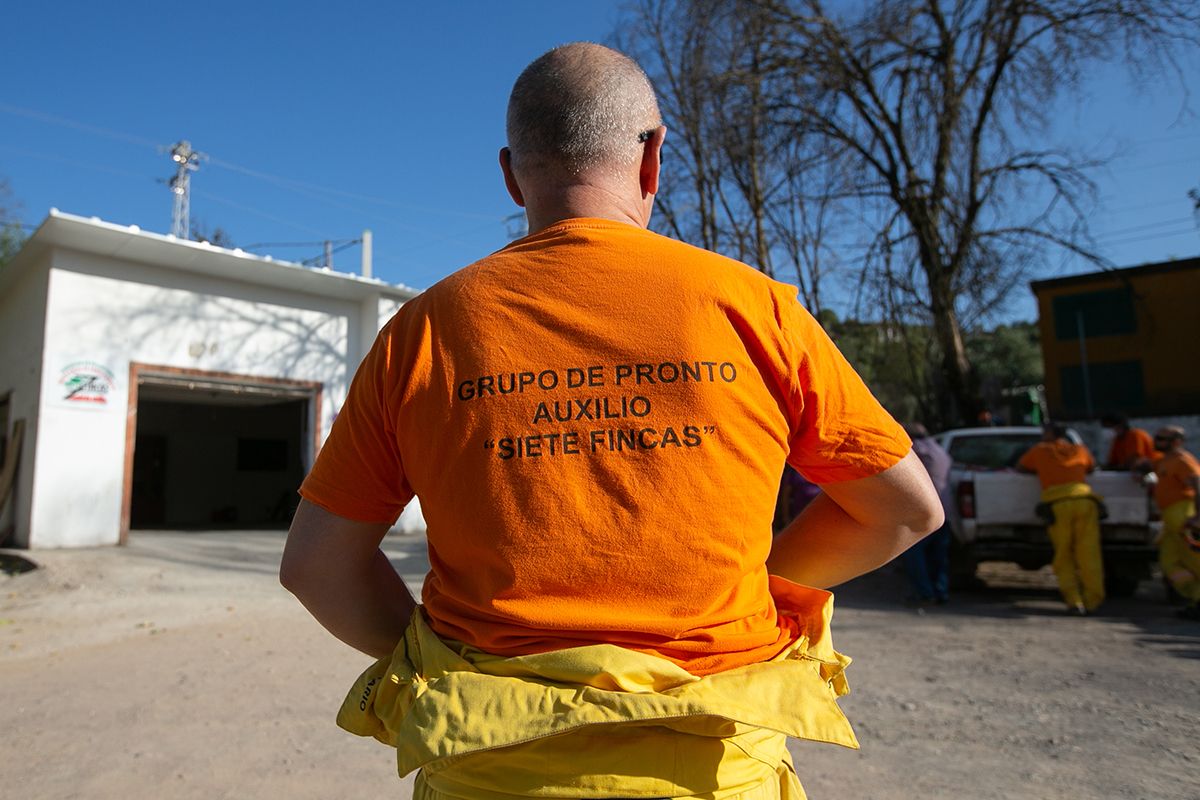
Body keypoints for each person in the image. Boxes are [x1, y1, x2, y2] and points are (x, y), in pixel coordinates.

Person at [279, 42, 942, 800]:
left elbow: (314, 566)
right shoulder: (754, 309)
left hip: (491, 770)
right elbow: (905, 510)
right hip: (715, 771)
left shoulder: (423, 331)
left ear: (510, 173)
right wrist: (751, 587)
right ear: (654, 157)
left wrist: (435, 660)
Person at [1017, 424, 1103, 614]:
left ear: (1049, 434)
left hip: (1059, 504)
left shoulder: (1040, 450)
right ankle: (1093, 600)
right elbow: (1092, 466)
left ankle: (1075, 601)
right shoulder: (1080, 449)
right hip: (1085, 501)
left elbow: (1021, 467)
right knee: (1089, 554)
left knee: (1064, 554)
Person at [1149, 426, 1200, 619]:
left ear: (1176, 442)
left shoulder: (1183, 460)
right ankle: (1196, 597)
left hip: (1184, 514)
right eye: (1157, 437)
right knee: (1169, 562)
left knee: (1194, 560)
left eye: (1162, 439)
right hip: (1170, 518)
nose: (1157, 441)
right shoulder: (1165, 461)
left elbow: (1198, 483)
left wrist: (1198, 516)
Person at [900, 424, 953, 606]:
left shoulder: (916, 450)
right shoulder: (940, 451)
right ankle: (941, 591)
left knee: (913, 555)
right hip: (945, 511)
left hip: (921, 514)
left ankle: (924, 592)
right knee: (938, 556)